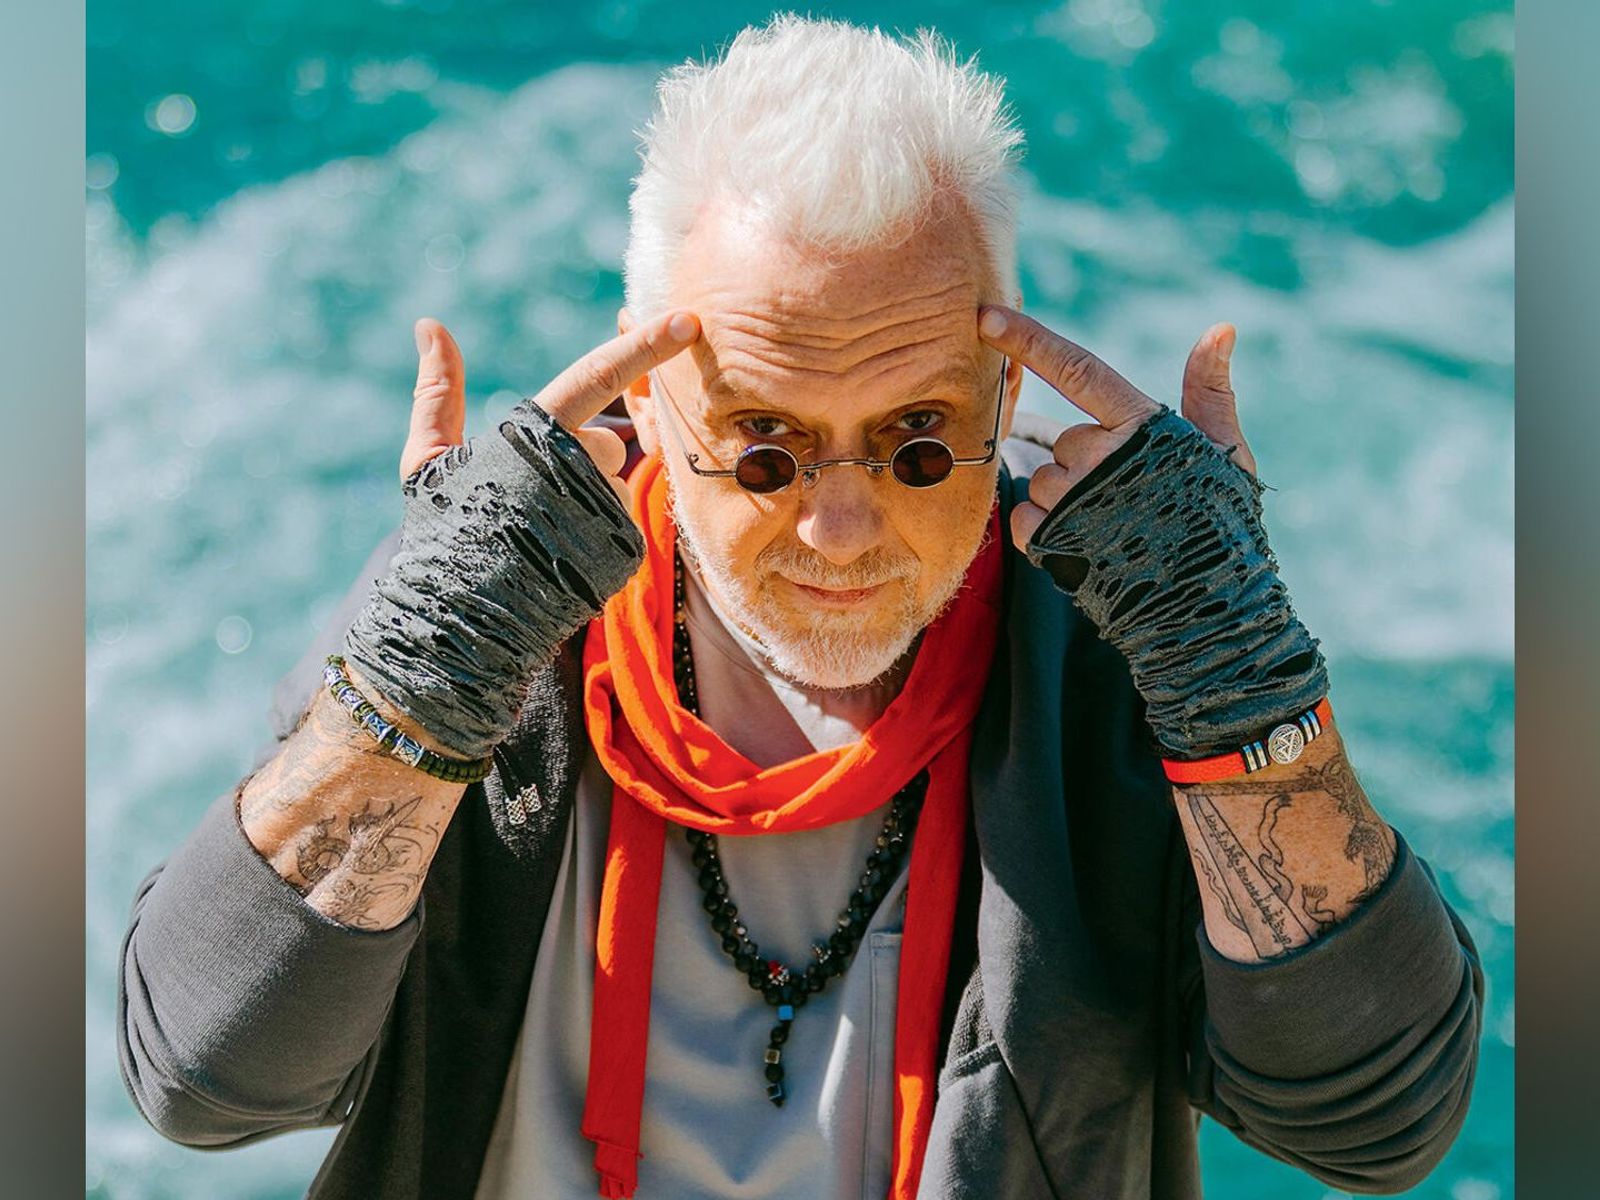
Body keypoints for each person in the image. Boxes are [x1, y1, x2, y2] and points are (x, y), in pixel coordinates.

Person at [116, 15, 1483, 1200]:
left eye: (918, 440)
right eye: (763, 446)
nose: (842, 528)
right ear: (650, 408)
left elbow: (1376, 1127)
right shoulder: (487, 608)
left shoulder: (1139, 643)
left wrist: (1235, 668)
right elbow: (205, 1078)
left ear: (1006, 397)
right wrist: (426, 671)